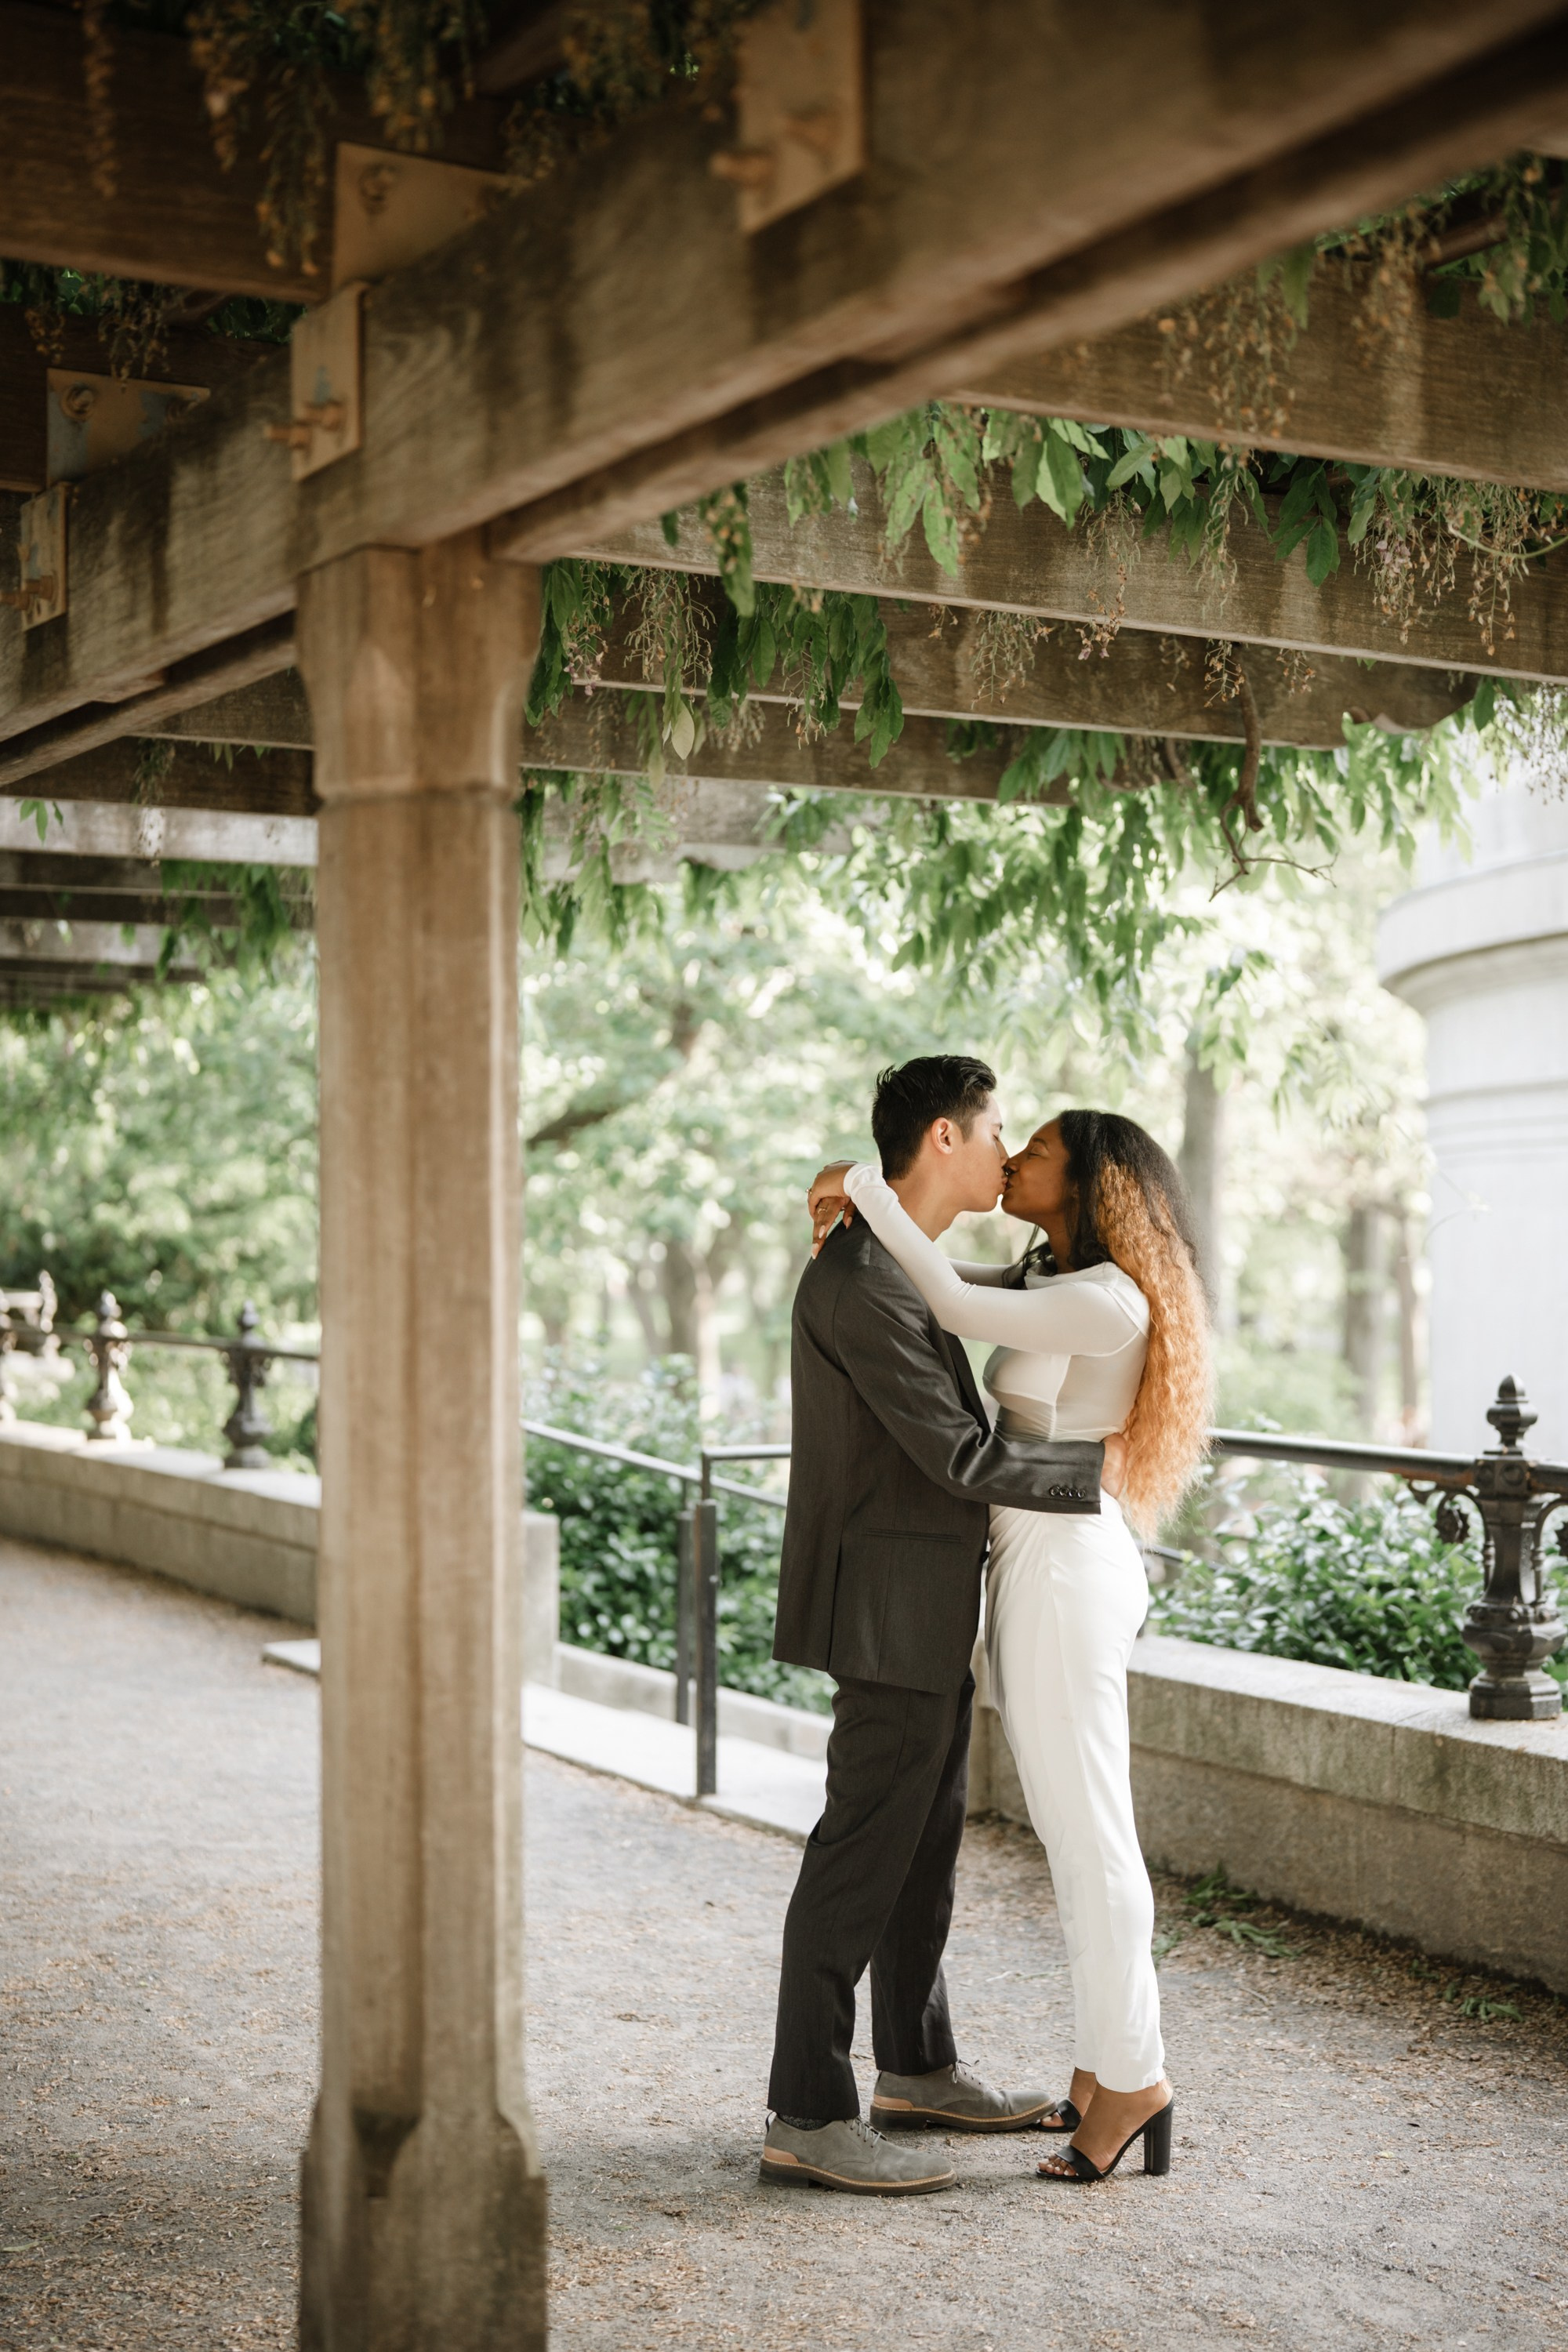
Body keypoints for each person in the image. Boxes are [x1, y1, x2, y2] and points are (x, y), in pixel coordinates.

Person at [807, 1106, 1211, 2185]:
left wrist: (863, 1180)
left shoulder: (1105, 1297)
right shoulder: (1055, 1276)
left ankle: (1135, 2078)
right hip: (1036, 1557)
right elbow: (946, 1265)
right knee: (1070, 1831)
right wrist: (868, 1202)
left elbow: (942, 1294)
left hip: (1067, 1565)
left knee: (1090, 1835)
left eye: (1035, 1151)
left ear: (1086, 1185)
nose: (1015, 1158)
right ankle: (1103, 2064)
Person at [760, 1057, 1124, 2199]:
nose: (1008, 1149)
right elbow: (960, 1456)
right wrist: (1096, 1482)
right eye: (996, 1131)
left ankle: (915, 2069)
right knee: (863, 1846)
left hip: (921, 1598)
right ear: (943, 1141)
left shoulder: (895, 1263)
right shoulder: (860, 1282)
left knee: (927, 1840)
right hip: (886, 1604)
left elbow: (1006, 1285)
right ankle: (806, 2111)